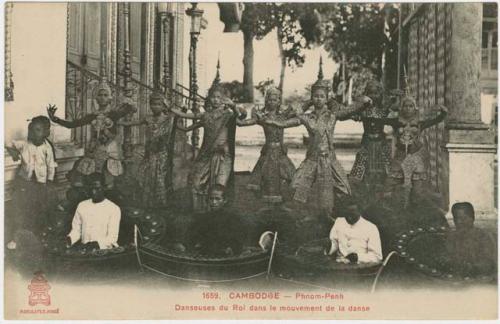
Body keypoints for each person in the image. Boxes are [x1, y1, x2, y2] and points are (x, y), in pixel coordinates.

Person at [264, 59, 371, 219]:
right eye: (316, 96)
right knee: (296, 186)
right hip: (312, 160)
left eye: (322, 96)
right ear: (312, 98)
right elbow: (290, 122)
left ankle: (333, 217)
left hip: (329, 160)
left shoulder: (333, 115)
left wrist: (363, 102)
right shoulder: (308, 117)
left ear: (327, 98)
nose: (319, 99)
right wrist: (273, 121)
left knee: (342, 190)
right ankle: (299, 216)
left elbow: (348, 110)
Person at [47, 78, 136, 189]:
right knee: (84, 181)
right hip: (93, 150)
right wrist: (55, 119)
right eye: (100, 95)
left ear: (109, 98)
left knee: (109, 184)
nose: (102, 98)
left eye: (105, 95)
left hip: (109, 151)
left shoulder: (114, 114)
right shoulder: (92, 116)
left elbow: (131, 108)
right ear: (96, 98)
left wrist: (127, 101)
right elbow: (73, 124)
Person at [171, 81, 244, 212]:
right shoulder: (205, 115)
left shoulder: (228, 114)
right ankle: (201, 210)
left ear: (224, 99)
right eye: (213, 97)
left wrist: (233, 106)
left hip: (223, 155)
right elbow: (187, 119)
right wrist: (171, 110)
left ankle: (221, 213)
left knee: (220, 185)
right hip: (206, 154)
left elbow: (240, 116)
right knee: (196, 181)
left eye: (219, 97)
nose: (216, 100)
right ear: (209, 98)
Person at [236, 86, 296, 205]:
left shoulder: (283, 115)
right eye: (269, 100)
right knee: (266, 175)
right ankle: (269, 203)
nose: (272, 102)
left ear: (279, 101)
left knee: (290, 176)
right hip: (268, 151)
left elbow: (299, 116)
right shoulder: (262, 117)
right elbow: (244, 123)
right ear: (266, 101)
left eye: (275, 100)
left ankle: (282, 202)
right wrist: (238, 115)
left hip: (280, 151)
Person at [118, 91, 178, 208]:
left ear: (163, 105)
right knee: (144, 176)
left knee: (159, 178)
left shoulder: (167, 119)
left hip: (161, 153)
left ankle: (160, 205)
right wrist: (119, 122)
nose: (155, 107)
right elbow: (133, 122)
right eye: (153, 104)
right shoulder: (148, 118)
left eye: (158, 104)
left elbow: (176, 127)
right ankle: (147, 203)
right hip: (149, 152)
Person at [6, 116, 58, 250]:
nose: (33, 133)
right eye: (31, 130)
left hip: (40, 184)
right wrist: (13, 152)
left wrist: (50, 182)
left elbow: (51, 166)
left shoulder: (47, 148)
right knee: (20, 208)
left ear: (46, 132)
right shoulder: (24, 144)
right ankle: (15, 237)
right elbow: (8, 143)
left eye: (38, 130)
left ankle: (39, 236)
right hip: (25, 182)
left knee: (40, 209)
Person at [65, 173, 121, 251]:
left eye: (97, 188)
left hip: (104, 252)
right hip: (85, 251)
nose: (93, 192)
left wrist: (94, 245)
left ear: (104, 188)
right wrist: (69, 240)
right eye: (91, 188)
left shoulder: (113, 209)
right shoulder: (82, 205)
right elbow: (76, 230)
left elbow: (112, 238)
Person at [187, 185, 247, 257]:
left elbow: (238, 242)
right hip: (205, 255)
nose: (214, 202)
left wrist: (231, 249)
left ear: (225, 200)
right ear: (207, 200)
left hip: (225, 257)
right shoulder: (203, 218)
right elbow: (193, 238)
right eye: (211, 199)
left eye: (218, 199)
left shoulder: (232, 218)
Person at [440, 202, 497, 276]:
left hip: (479, 278)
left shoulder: (483, 236)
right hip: (456, 277)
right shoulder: (452, 237)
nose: (459, 222)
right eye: (456, 218)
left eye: (463, 218)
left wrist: (472, 268)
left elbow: (489, 263)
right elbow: (446, 256)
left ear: (472, 218)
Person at [326, 199, 383, 264]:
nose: (349, 217)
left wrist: (358, 257)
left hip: (360, 267)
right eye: (346, 214)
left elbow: (377, 257)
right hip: (339, 264)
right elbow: (334, 243)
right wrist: (329, 246)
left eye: (352, 213)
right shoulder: (339, 222)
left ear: (360, 211)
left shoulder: (371, 228)